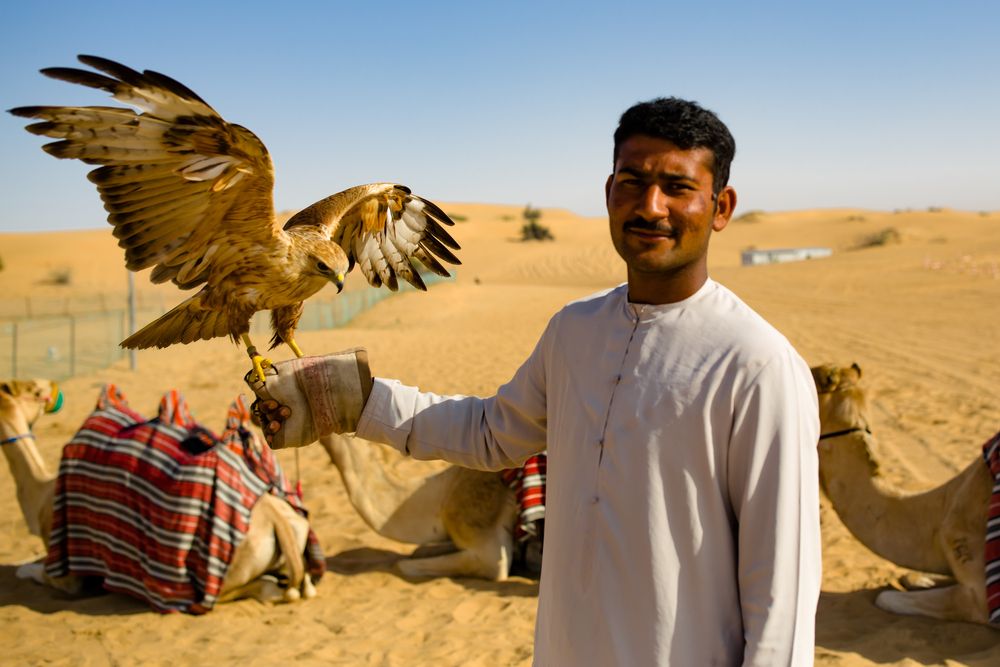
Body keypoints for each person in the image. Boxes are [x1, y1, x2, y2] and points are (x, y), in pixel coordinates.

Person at [251, 97, 821, 666]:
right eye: (633, 181)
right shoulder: (575, 332)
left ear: (720, 207)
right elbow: (492, 434)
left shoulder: (758, 366)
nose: (651, 206)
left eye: (677, 187)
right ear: (608, 192)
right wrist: (355, 401)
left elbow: (782, 590)